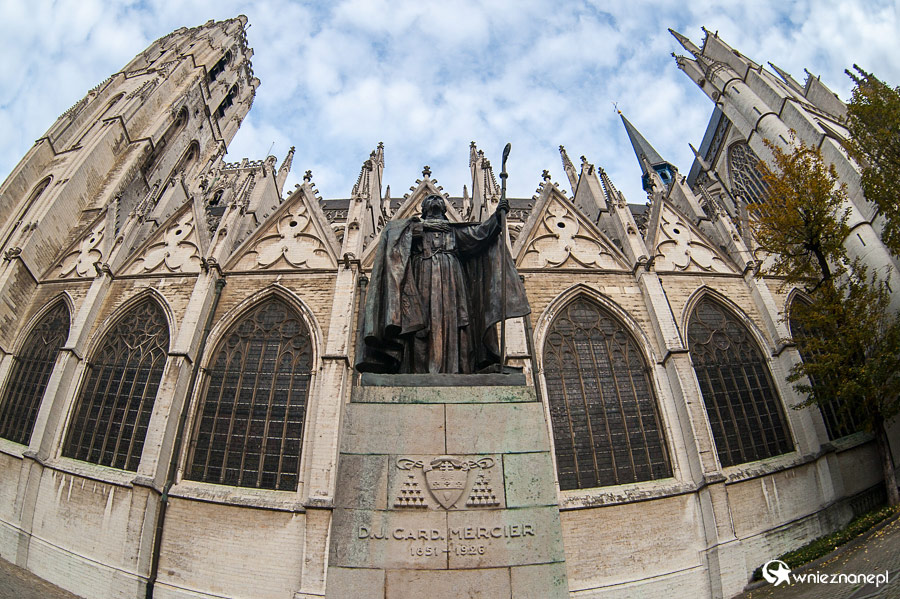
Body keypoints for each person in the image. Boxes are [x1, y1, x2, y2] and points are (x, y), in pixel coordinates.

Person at [356, 194, 530, 374]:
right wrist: (423, 226)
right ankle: (417, 371)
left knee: (455, 321)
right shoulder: (412, 228)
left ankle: (457, 369)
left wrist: (498, 216)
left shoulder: (453, 231)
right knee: (421, 323)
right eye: (430, 199)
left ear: (445, 209)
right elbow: (392, 233)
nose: (434, 199)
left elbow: (480, 234)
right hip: (421, 276)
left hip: (452, 279)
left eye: (438, 199)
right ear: (423, 209)